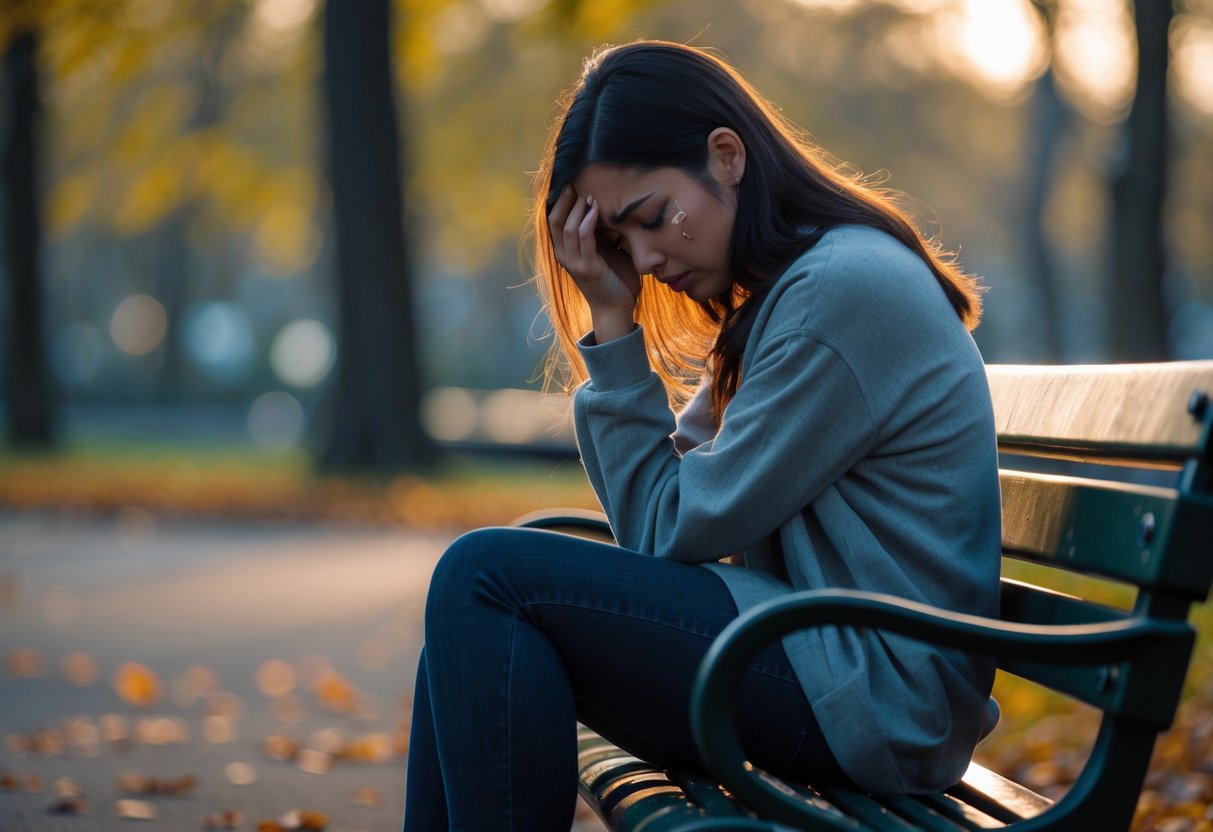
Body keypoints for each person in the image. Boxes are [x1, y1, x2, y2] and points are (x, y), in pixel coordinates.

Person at [403, 40, 1001, 831]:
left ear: (725, 156)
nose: (645, 260)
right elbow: (671, 503)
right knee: (472, 614)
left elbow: (662, 526)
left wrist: (613, 329)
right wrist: (612, 322)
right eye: (619, 243)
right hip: (827, 659)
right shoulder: (793, 294)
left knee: (483, 580)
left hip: (873, 697)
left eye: (650, 219)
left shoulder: (836, 294)